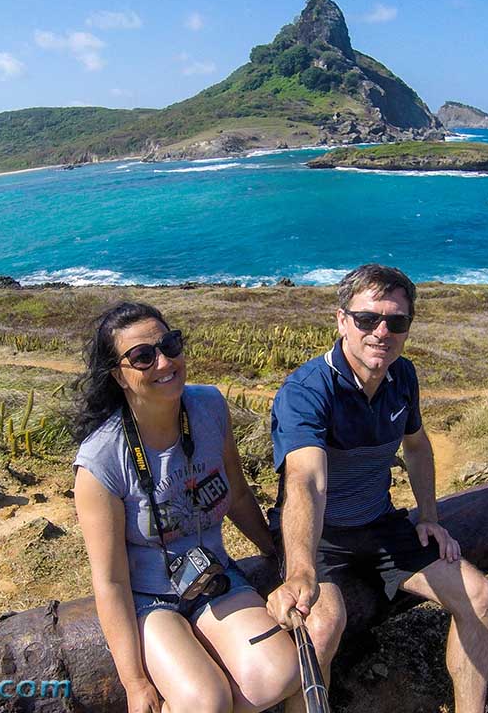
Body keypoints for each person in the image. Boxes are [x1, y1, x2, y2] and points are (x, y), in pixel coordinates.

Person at [265, 265, 488, 713]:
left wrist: (428, 516)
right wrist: (300, 570)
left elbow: (416, 445)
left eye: (396, 321)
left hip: (378, 523)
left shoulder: (402, 376)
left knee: (479, 596)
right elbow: (306, 479)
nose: (381, 332)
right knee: (323, 627)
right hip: (322, 535)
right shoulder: (307, 392)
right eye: (368, 319)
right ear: (341, 320)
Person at [72, 301, 300, 713]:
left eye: (170, 345)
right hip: (147, 598)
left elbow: (238, 494)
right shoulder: (101, 461)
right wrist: (134, 681)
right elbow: (110, 581)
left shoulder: (209, 406)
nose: (164, 361)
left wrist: (278, 554)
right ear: (118, 376)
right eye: (143, 356)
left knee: (278, 674)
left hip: (212, 574)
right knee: (205, 701)